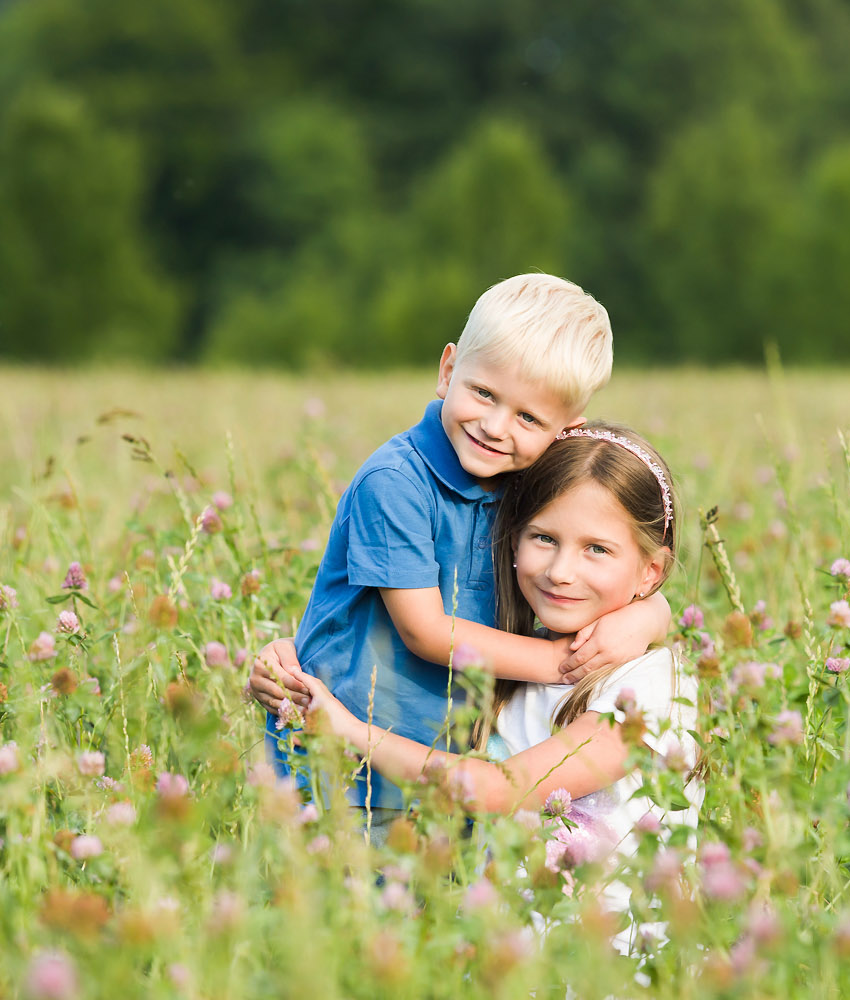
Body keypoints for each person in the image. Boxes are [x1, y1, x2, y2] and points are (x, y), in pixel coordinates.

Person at [257, 275, 672, 838]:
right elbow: (425, 631)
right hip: (343, 768)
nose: (495, 427)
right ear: (448, 369)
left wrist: (652, 613)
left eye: (529, 419)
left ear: (564, 432)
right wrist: (559, 663)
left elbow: (607, 568)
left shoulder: (526, 491)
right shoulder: (396, 482)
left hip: (453, 770)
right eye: (483, 394)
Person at [251, 423, 697, 935]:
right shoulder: (525, 654)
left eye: (597, 549)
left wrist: (347, 730)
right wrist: (290, 660)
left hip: (609, 950)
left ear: (651, 571)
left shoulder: (649, 687)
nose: (560, 571)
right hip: (505, 948)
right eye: (544, 538)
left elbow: (496, 790)